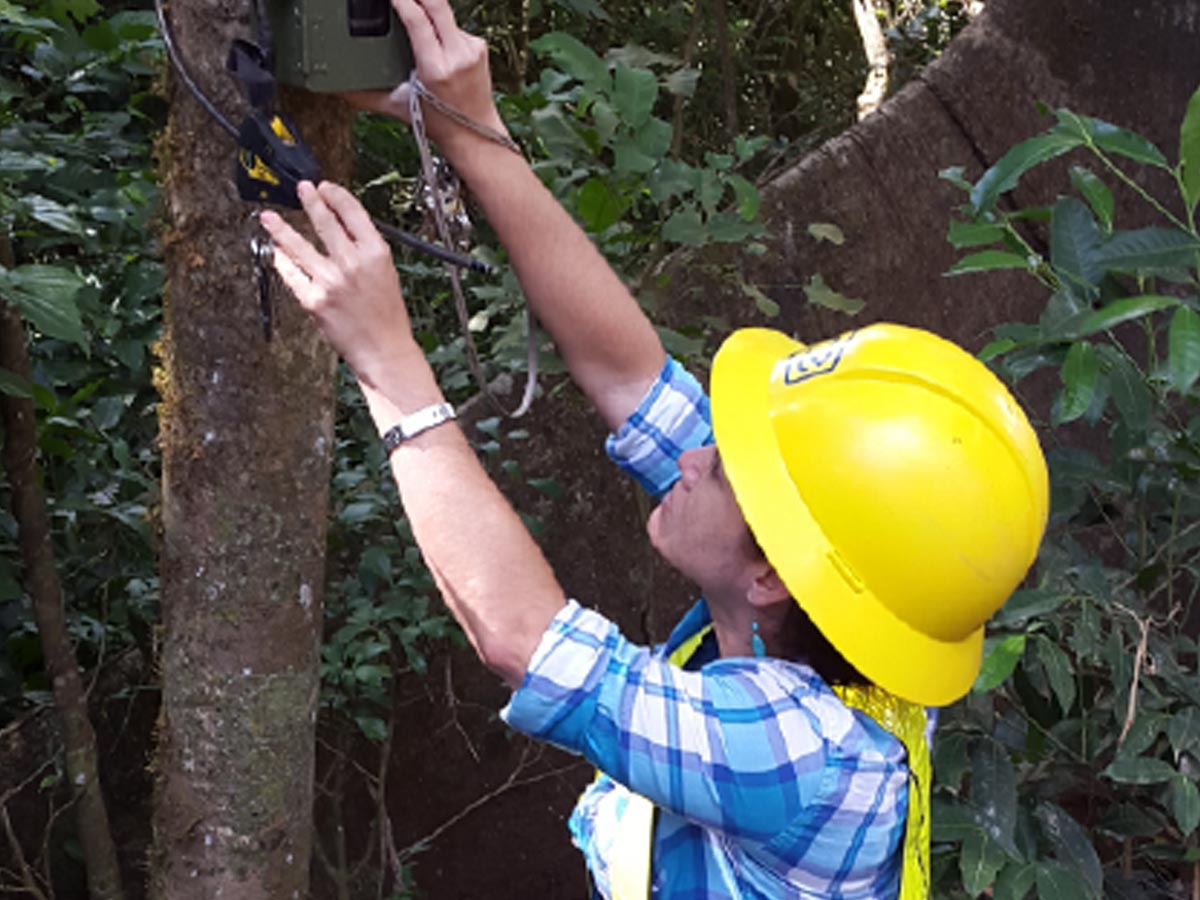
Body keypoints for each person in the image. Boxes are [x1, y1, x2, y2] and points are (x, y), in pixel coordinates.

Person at [260, 1, 1049, 896]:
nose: (696, 454)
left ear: (774, 576)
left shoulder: (800, 756)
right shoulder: (859, 605)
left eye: (730, 466)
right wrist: (470, 128)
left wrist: (390, 365)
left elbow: (528, 642)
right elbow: (629, 377)